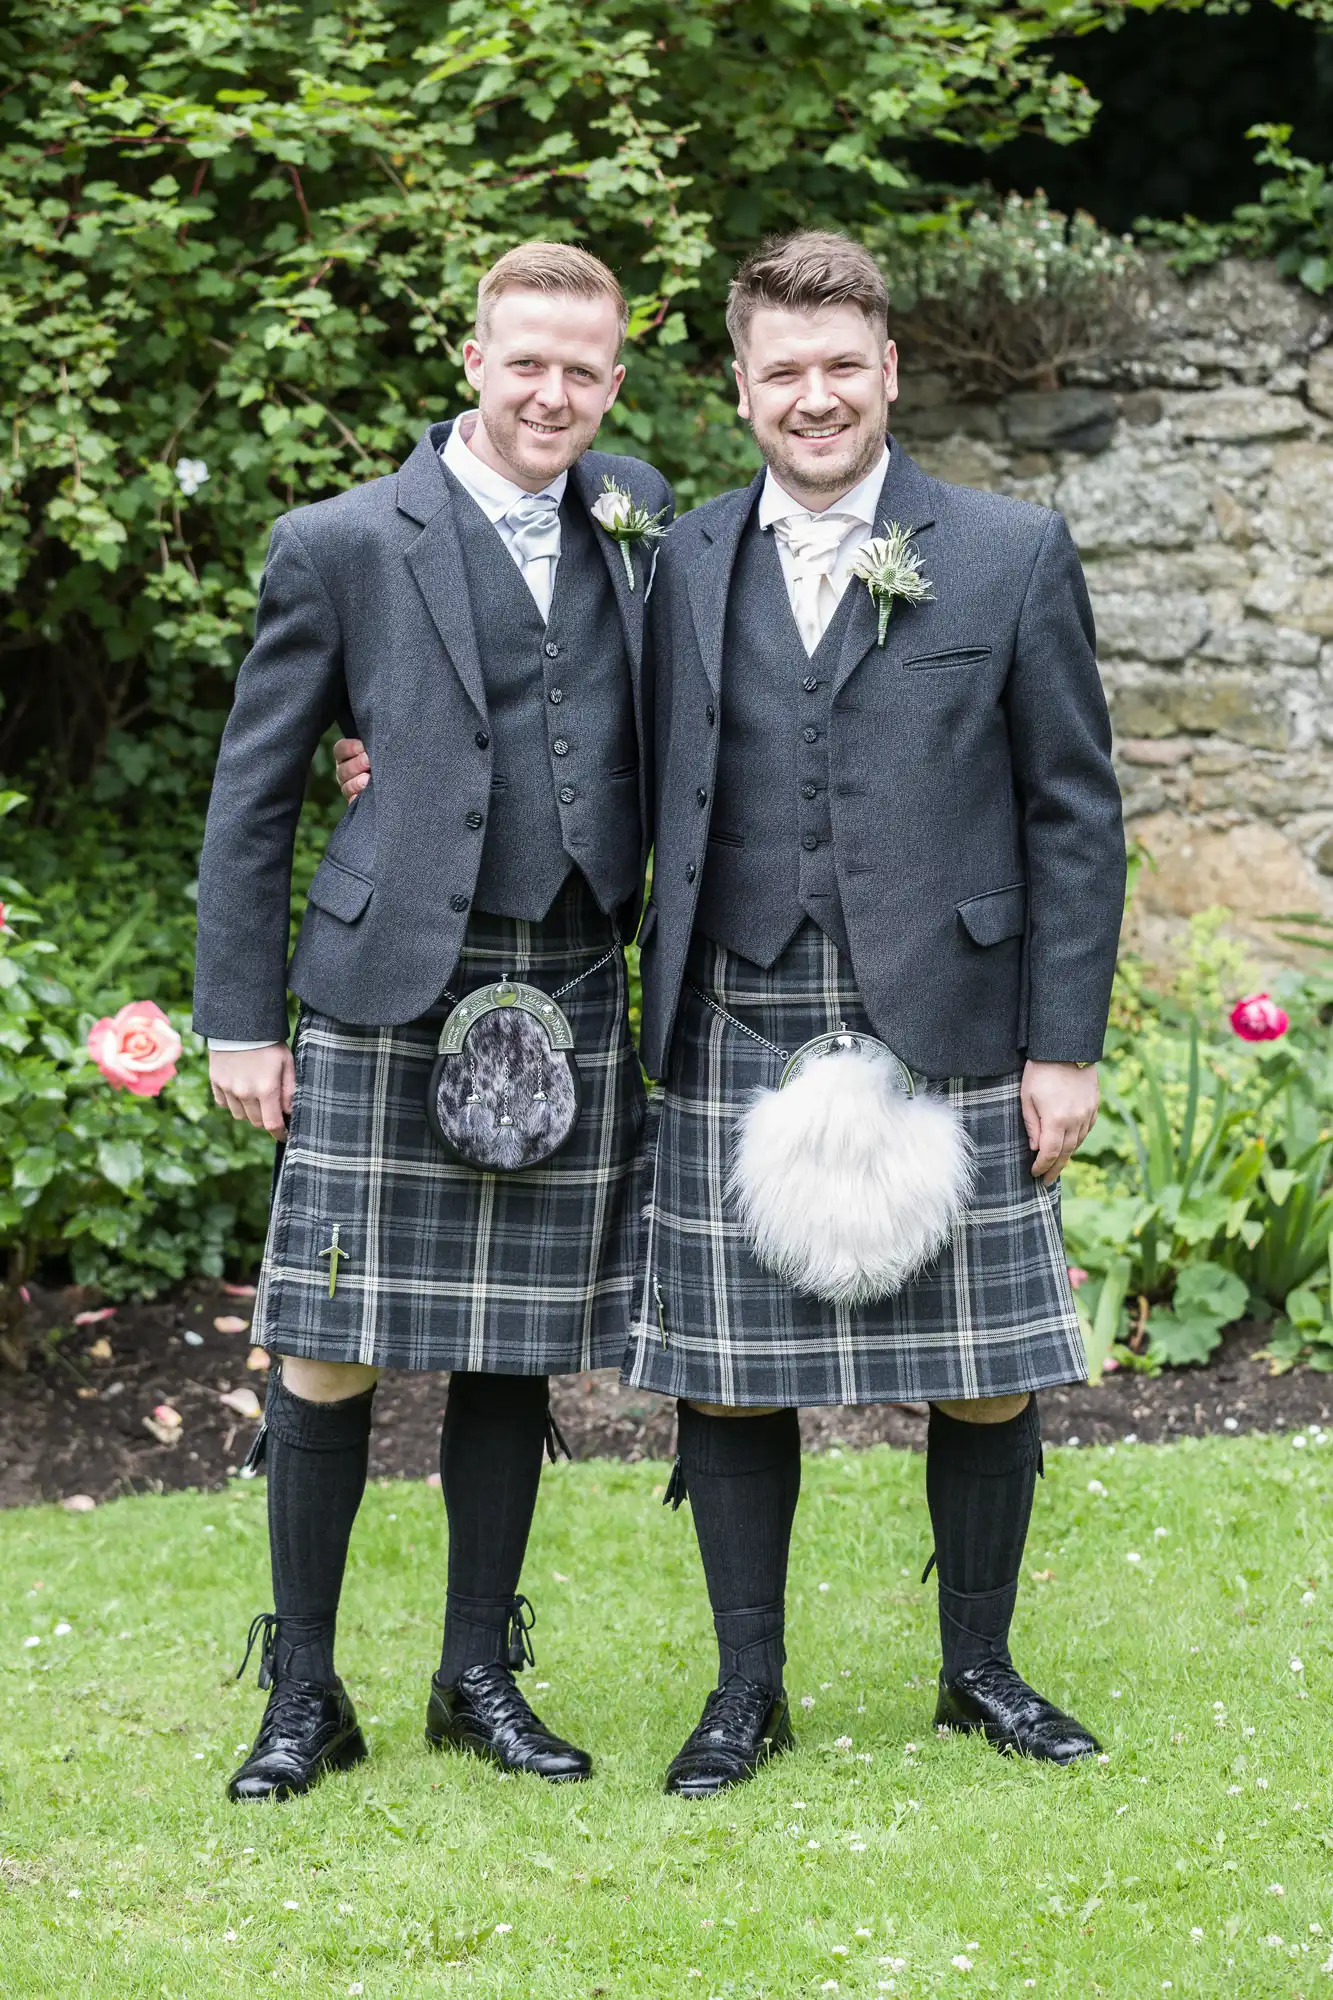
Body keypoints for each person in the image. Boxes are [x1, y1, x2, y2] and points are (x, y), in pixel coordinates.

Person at [627, 230, 1125, 1795]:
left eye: (844, 366)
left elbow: (1074, 814)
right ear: (741, 386)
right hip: (738, 997)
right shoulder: (681, 558)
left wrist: (1066, 1044)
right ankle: (745, 1690)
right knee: (727, 1366)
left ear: (890, 371)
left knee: (983, 1367)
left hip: (952, 1004)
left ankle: (978, 1670)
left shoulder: (1008, 547)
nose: (817, 396)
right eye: (786, 372)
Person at [195, 242, 669, 1802]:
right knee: (326, 1345)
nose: (552, 392)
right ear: (473, 358)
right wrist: (236, 1022)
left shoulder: (641, 511)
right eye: (524, 360)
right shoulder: (339, 540)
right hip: (387, 975)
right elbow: (254, 795)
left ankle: (477, 1677)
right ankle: (304, 1693)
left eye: (582, 369)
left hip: (574, 968)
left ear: (614, 378)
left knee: (512, 1349)